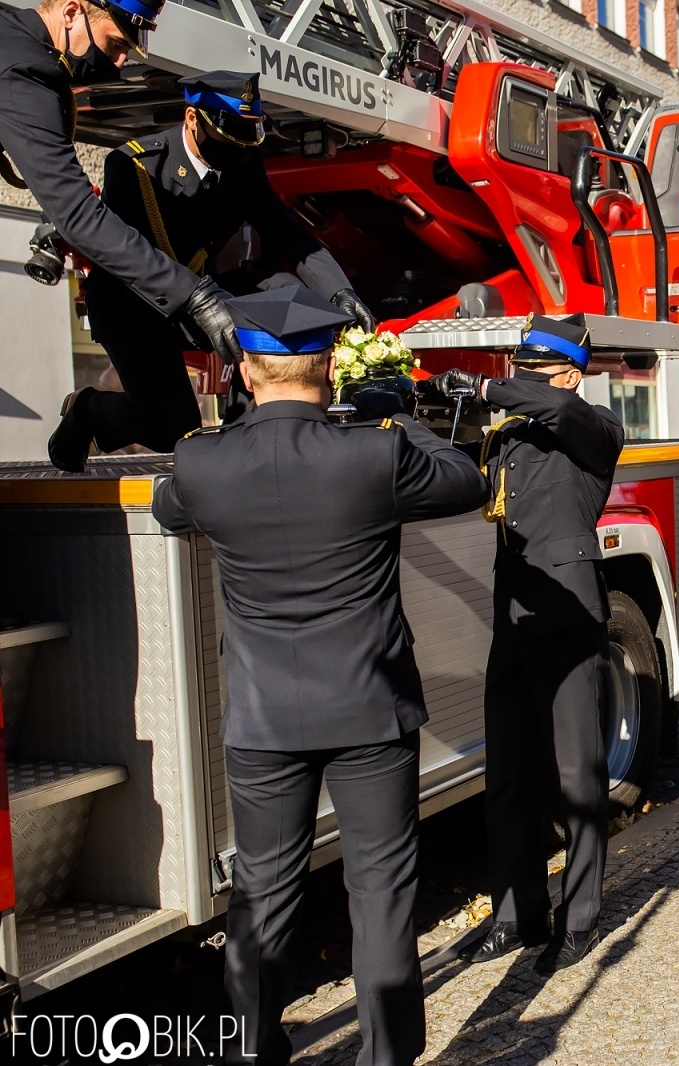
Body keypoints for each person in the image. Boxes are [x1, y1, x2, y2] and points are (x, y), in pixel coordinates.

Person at [151, 286, 487, 1066]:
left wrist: (234, 433)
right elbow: (465, 481)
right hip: (371, 712)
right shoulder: (375, 451)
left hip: (265, 722)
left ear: (245, 371)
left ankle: (257, 1049)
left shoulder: (205, 462)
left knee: (261, 899)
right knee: (380, 897)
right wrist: (397, 411)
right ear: (331, 366)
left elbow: (171, 508)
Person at [422, 317, 625, 973]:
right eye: (517, 372)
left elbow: (558, 408)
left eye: (533, 375)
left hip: (567, 621)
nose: (520, 384)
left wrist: (489, 385)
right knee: (508, 777)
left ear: (569, 373)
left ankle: (582, 916)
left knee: (577, 779)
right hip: (512, 615)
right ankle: (519, 916)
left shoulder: (593, 428)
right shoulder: (510, 436)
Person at [48, 71, 374, 471]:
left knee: (283, 292)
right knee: (173, 430)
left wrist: (339, 293)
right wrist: (199, 299)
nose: (237, 149)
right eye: (228, 136)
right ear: (192, 119)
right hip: (132, 306)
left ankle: (248, 423)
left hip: (203, 292)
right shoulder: (134, 166)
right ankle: (88, 409)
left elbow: (286, 231)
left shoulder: (243, 160)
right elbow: (130, 259)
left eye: (246, 136)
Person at [0, 0, 244, 459]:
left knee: (175, 424)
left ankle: (88, 411)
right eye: (114, 44)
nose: (118, 63)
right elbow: (77, 215)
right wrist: (196, 295)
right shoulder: (26, 73)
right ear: (72, 11)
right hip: (131, 303)